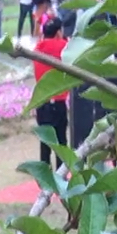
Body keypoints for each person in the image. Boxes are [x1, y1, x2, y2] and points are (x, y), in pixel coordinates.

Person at [32, 14, 68, 160]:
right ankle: (62, 177)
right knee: (61, 143)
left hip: (42, 102)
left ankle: (45, 178)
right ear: (59, 32)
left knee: (45, 144)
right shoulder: (63, 47)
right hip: (58, 102)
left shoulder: (37, 49)